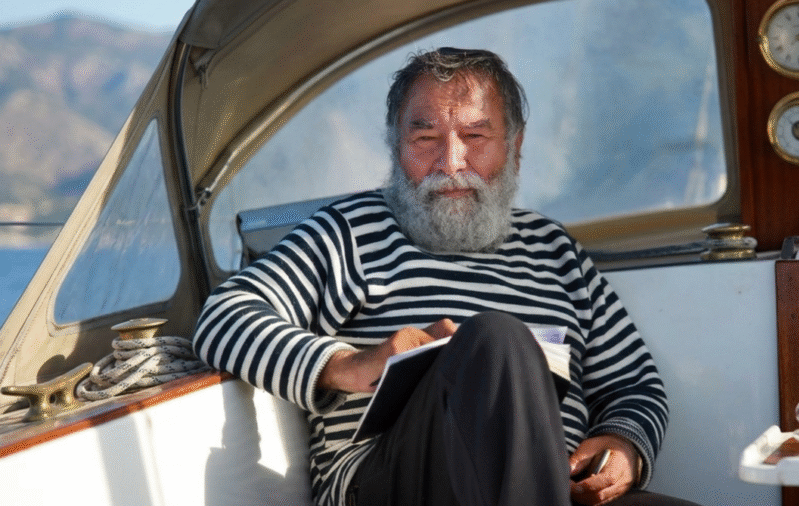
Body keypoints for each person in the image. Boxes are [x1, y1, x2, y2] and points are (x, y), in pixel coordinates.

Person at [193, 47, 695, 506]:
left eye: (475, 137)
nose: (451, 163)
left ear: (514, 146)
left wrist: (623, 445)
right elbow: (223, 317)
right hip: (394, 484)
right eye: (425, 138)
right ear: (397, 148)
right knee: (496, 340)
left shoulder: (555, 250)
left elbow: (635, 385)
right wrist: (348, 364)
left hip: (553, 488)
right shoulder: (348, 232)